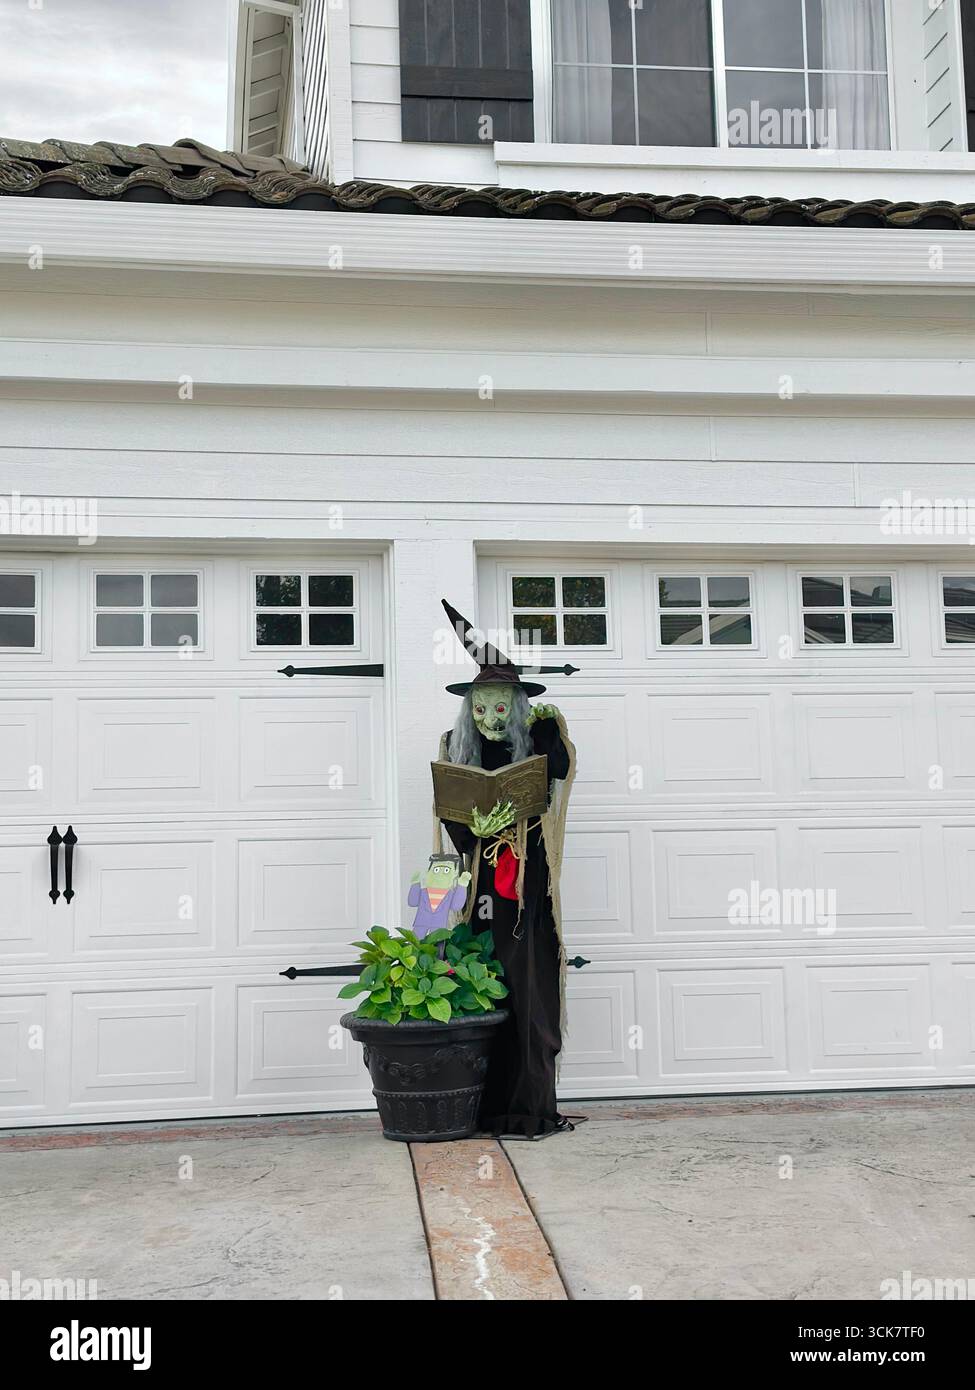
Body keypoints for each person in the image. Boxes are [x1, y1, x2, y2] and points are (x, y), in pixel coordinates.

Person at [436, 599, 581, 1140]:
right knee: (480, 980)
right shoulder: (458, 752)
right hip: (478, 890)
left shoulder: (539, 742)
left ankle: (525, 1107)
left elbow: (561, 768)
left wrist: (550, 723)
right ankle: (473, 1103)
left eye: (502, 708)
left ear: (517, 708)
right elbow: (452, 823)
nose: (490, 718)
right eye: (481, 708)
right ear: (468, 710)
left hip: (526, 890)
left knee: (527, 986)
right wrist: (475, 825)